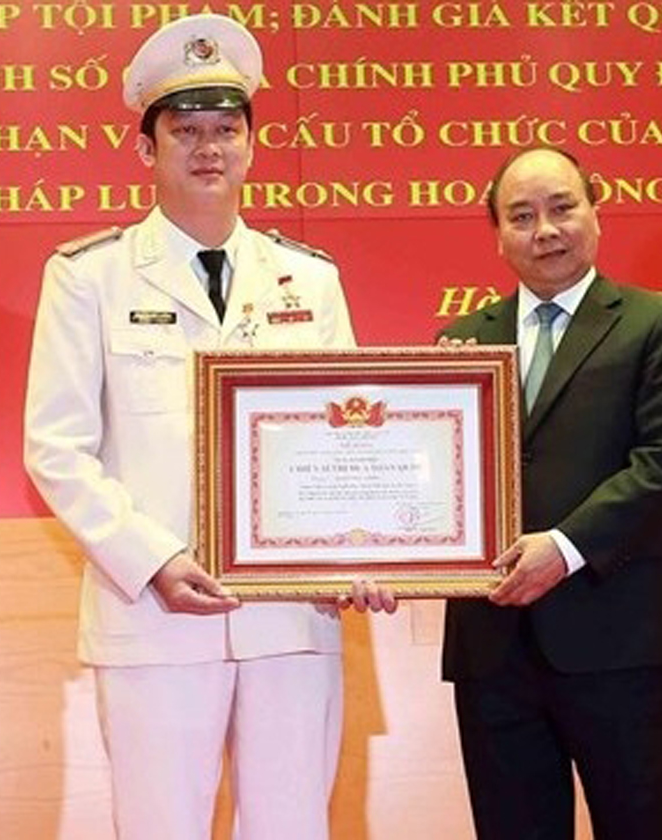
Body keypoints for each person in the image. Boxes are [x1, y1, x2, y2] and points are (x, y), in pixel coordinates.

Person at [23, 13, 392, 840]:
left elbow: (351, 445)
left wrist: (364, 547)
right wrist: (152, 560)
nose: (208, 148)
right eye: (185, 130)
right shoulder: (89, 277)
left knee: (294, 828)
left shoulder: (309, 278)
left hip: (292, 616)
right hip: (154, 616)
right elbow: (56, 446)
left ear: (252, 143)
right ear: (146, 150)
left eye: (226, 128)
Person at [437, 146, 662, 839]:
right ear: (496, 235)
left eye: (563, 208)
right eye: (521, 216)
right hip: (492, 647)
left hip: (616, 636)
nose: (546, 230)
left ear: (596, 210)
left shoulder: (655, 324)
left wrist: (564, 548)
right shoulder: (460, 341)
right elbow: (441, 481)